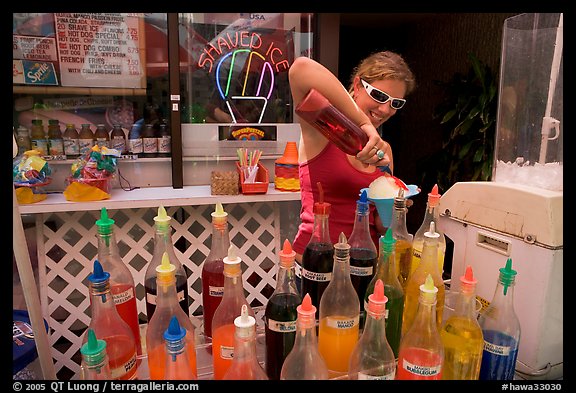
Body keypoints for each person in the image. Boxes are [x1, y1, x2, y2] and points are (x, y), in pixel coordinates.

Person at [289, 51, 416, 262]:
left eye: (395, 103)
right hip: (317, 264)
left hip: (365, 267)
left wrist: (396, 210)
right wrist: (362, 123)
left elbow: (382, 225)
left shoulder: (384, 151)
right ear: (357, 86)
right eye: (379, 96)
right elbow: (300, 70)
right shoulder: (323, 129)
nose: (385, 109)